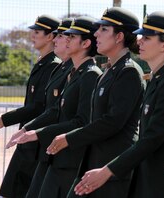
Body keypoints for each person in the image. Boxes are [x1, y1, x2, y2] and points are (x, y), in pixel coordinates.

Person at [71, 11, 164, 198]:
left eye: (147, 38)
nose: (139, 41)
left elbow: (152, 139)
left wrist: (107, 171)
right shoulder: (158, 79)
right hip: (153, 182)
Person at [44, 7, 145, 198]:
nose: (97, 33)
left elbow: (113, 121)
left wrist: (69, 138)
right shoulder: (110, 70)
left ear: (119, 37)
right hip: (95, 161)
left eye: (104, 29)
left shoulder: (129, 72)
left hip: (112, 166)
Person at [15, 16, 102, 198]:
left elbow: (82, 120)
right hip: (57, 155)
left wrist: (38, 132)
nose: (62, 40)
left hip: (71, 158)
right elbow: (56, 110)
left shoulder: (90, 75)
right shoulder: (75, 72)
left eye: (71, 37)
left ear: (86, 43)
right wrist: (29, 128)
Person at [0, 14, 60, 198]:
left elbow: (38, 106)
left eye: (37, 32)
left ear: (50, 36)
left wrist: (5, 119)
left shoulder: (53, 66)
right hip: (27, 140)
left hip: (36, 141)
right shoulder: (43, 63)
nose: (32, 36)